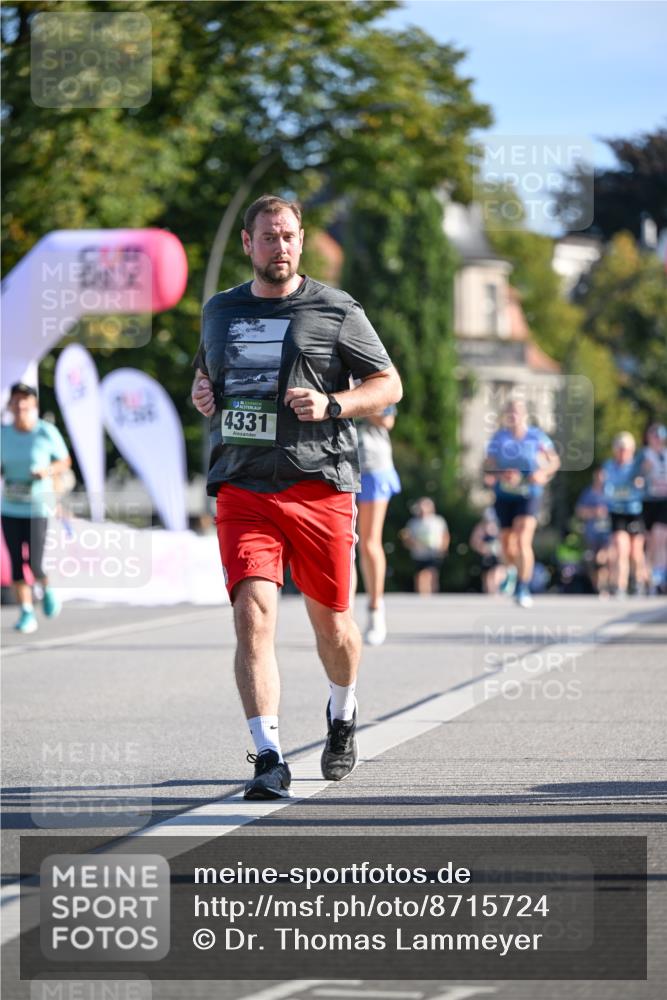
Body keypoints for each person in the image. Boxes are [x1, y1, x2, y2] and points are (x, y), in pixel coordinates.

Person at [191, 194, 402, 800]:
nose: (279, 247)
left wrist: (335, 404)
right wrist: (203, 392)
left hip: (321, 485)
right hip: (243, 484)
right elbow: (207, 377)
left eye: (288, 236)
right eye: (268, 237)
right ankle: (267, 755)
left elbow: (389, 384)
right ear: (248, 245)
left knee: (332, 624)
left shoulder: (335, 309)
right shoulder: (220, 310)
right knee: (252, 616)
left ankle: (342, 710)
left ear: (301, 241)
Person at [1, 383, 72, 633]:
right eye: (17, 403)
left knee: (36, 563)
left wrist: (47, 471)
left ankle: (48, 588)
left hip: (38, 507)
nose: (21, 407)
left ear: (33, 407)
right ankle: (26, 612)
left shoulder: (45, 432)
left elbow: (65, 461)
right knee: (16, 564)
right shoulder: (3, 433)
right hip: (9, 506)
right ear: (10, 406)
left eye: (26, 403)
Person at [484, 398, 561, 608]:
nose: (514, 416)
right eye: (510, 412)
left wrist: (542, 473)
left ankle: (523, 587)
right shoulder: (498, 438)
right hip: (505, 496)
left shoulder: (537, 436)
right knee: (508, 545)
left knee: (522, 539)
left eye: (517, 412)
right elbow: (488, 467)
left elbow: (554, 461)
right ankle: (511, 570)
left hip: (530, 493)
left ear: (524, 414)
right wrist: (502, 474)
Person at [355, 404, 401, 645]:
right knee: (341, 547)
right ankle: (342, 616)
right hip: (335, 463)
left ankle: (375, 612)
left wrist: (345, 402)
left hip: (372, 465)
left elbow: (387, 419)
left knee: (369, 542)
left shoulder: (371, 370)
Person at [602, 432, 647, 597]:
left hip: (634, 511)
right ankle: (620, 584)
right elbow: (607, 489)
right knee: (621, 548)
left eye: (626, 449)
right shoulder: (609, 466)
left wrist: (639, 485)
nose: (623, 452)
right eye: (620, 449)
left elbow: (643, 487)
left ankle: (639, 581)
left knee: (635, 551)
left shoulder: (637, 466)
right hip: (617, 511)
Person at [400, 497, 449, 594]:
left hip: (434, 552)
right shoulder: (413, 522)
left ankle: (432, 595)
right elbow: (406, 537)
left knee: (431, 574)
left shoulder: (438, 521)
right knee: (420, 575)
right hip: (419, 553)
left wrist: (444, 548)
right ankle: (422, 597)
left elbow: (445, 535)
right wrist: (410, 542)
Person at [575, 467, 611, 596]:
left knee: (604, 558)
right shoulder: (588, 493)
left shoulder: (610, 491)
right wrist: (594, 512)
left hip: (607, 534)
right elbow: (579, 511)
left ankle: (607, 586)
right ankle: (598, 587)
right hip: (591, 534)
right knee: (592, 561)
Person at [640, 423, 667, 594]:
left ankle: (659, 576)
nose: (657, 439)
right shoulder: (643, 455)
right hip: (647, 501)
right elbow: (634, 476)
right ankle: (647, 577)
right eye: (654, 436)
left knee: (660, 537)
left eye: (660, 436)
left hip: (664, 501)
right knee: (649, 542)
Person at [469, 507, 505, 595]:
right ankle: (490, 591)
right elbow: (474, 541)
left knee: (498, 571)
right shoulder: (481, 527)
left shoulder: (499, 526)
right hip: (486, 554)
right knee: (487, 574)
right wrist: (482, 548)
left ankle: (496, 589)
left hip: (497, 554)